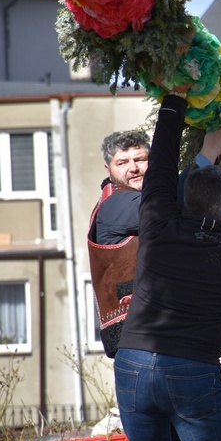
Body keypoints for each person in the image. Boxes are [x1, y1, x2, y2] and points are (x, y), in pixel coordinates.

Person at [113, 91, 221, 441]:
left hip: (133, 364)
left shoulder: (158, 226)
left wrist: (175, 99)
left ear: (183, 200)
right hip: (190, 370)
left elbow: (159, 163)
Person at [87, 130, 150, 358]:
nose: (133, 168)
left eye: (140, 159)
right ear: (109, 170)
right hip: (138, 339)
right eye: (122, 162)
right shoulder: (115, 203)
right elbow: (160, 209)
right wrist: (205, 156)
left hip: (149, 334)